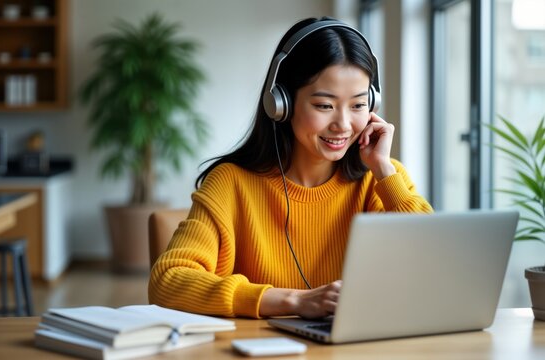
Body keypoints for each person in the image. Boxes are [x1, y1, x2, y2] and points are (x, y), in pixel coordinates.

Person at [148, 17, 433, 319]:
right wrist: (292, 301)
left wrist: (384, 172)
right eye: (324, 105)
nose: (343, 125)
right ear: (280, 103)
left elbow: (435, 263)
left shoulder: (383, 178)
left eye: (358, 105)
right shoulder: (230, 183)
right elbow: (167, 281)